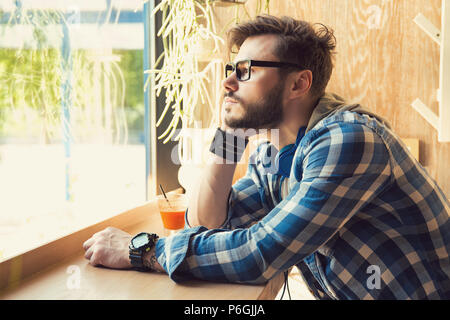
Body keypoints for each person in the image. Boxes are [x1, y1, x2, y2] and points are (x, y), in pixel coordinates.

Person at [83, 15, 450, 300]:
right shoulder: (275, 152)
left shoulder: (347, 141)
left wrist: (143, 250)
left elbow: (261, 252)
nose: (228, 83)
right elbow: (210, 221)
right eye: (232, 71)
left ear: (298, 84)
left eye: (246, 71)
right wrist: (230, 132)